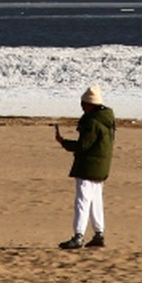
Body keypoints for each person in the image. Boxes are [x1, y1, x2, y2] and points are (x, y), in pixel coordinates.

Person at [54, 84, 116, 250]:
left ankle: (78, 236)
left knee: (82, 200)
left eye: (83, 104)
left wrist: (64, 142)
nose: (81, 107)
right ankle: (98, 233)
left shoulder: (92, 121)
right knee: (96, 200)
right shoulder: (107, 119)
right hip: (101, 166)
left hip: (89, 166)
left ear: (90, 104)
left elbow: (83, 145)